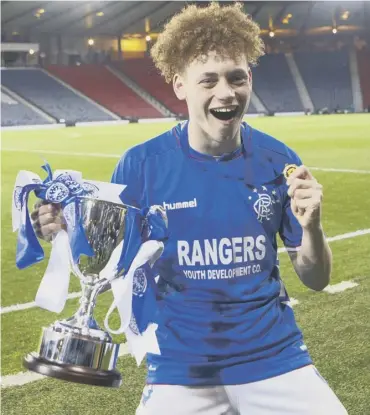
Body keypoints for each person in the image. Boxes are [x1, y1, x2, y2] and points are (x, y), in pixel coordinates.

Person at [32, 3, 348, 414]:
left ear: (249, 79)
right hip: (180, 369)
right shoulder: (141, 165)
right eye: (209, 80)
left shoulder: (277, 159)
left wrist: (313, 229)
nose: (226, 93)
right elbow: (111, 270)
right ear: (180, 86)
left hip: (275, 358)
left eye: (236, 78)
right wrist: (65, 231)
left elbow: (317, 278)